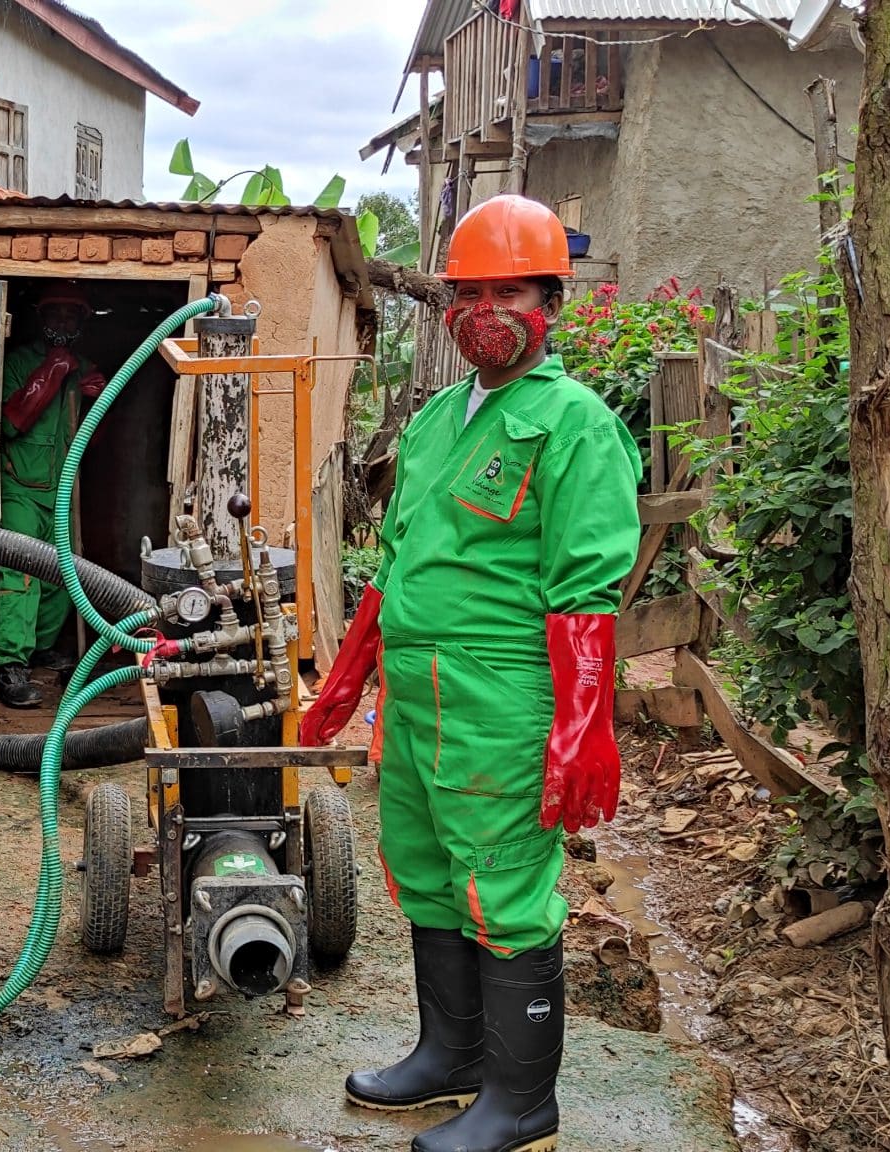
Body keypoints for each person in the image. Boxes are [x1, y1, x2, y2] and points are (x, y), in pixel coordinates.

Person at [300, 194, 640, 1152]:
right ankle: (448, 1057)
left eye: (510, 291)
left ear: (552, 302)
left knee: (502, 881)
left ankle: (522, 1100)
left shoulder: (574, 426)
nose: (486, 310)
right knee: (427, 871)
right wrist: (350, 676)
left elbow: (587, 593)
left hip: (501, 694)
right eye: (468, 292)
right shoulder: (442, 418)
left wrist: (584, 726)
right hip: (416, 692)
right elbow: (400, 561)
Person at [0, 281, 108, 709]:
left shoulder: (85, 368)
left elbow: (91, 444)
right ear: (41, 318)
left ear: (81, 322)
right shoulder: (19, 362)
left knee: (62, 577)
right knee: (21, 575)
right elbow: (10, 423)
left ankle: (40, 647)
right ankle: (10, 665)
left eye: (71, 315)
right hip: (21, 486)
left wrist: (96, 402)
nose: (62, 322)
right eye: (55, 314)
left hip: (62, 491)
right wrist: (52, 372)